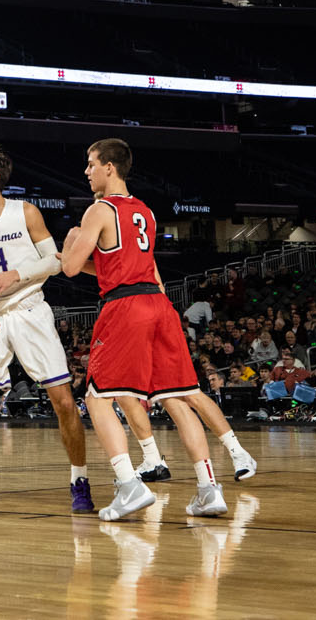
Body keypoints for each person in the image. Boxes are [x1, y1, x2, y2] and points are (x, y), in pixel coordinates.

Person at [58, 138, 226, 522]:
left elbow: (70, 267)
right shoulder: (145, 213)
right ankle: (208, 489)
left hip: (125, 307)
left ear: (109, 168)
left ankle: (129, 485)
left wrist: (67, 245)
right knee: (179, 398)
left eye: (90, 164)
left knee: (98, 397)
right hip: (159, 305)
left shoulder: (99, 210)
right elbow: (124, 266)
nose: (86, 171)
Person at [0, 144, 92, 515]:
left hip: (29, 311)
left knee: (62, 401)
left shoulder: (25, 212)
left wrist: (15, 275)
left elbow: (55, 262)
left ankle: (80, 479)